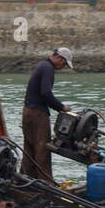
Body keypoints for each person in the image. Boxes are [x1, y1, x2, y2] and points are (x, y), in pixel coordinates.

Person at [21, 47, 73, 179]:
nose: (63, 67)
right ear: (60, 58)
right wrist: (61, 107)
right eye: (64, 63)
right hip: (37, 114)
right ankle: (46, 184)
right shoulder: (48, 68)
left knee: (29, 150)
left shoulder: (41, 65)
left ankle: (24, 180)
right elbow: (46, 93)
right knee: (42, 149)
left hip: (27, 112)